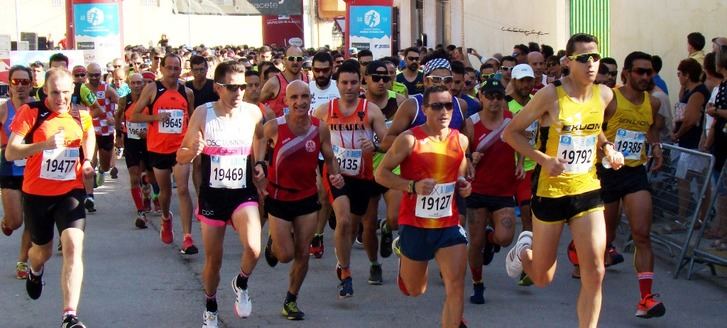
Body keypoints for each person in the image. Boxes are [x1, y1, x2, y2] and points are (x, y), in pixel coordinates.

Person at [502, 33, 624, 328]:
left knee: (595, 270)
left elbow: (593, 130)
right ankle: (523, 251)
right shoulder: (550, 95)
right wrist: (543, 159)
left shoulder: (606, 95)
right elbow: (511, 133)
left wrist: (607, 147)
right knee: (542, 277)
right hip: (551, 192)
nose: (591, 63)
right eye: (584, 58)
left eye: (595, 57)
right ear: (568, 62)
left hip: (587, 188)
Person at [176, 61, 266, 327]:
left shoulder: (253, 113)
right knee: (213, 261)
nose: (238, 93)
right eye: (232, 87)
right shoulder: (203, 114)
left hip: (242, 194)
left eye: (242, 87)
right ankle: (211, 305)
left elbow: (259, 139)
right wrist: (193, 150)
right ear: (218, 88)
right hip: (213, 196)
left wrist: (259, 163)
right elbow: (180, 155)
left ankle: (241, 281)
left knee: (253, 247)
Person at [6, 68, 96, 328]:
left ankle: (69, 315)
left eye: (66, 93)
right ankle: (35, 271)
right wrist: (43, 146)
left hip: (70, 191)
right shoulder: (31, 113)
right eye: (55, 92)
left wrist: (88, 160)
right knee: (41, 252)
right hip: (37, 194)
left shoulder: (79, 114)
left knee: (73, 246)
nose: (61, 98)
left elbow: (88, 134)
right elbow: (12, 152)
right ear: (45, 90)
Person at [375, 85, 472, 328]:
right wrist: (412, 186)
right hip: (415, 223)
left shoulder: (461, 140)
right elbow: (381, 174)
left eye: (448, 105)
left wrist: (463, 185)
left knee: (456, 286)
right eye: (437, 106)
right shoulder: (409, 139)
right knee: (416, 289)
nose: (444, 111)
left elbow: (458, 177)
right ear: (425, 109)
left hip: (448, 223)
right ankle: (403, 257)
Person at [262, 80, 343, 320]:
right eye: (294, 97)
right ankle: (274, 244)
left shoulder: (319, 128)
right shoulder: (274, 127)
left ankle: (291, 300)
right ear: (286, 101)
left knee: (303, 253)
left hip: (307, 197)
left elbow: (329, 156)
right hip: (278, 196)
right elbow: (257, 148)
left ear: (310, 99)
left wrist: (335, 174)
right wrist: (258, 170)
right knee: (285, 255)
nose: (300, 102)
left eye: (305, 96)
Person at [598, 51, 665, 318]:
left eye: (649, 72)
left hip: (635, 172)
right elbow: (594, 126)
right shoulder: (611, 98)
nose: (645, 76)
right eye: (640, 71)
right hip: (607, 172)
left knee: (642, 234)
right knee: (606, 237)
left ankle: (646, 298)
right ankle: (581, 253)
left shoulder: (654, 102)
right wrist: (606, 147)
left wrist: (656, 146)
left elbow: (651, 127)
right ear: (626, 73)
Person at [312, 59, 388, 298]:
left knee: (352, 225)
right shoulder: (324, 111)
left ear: (361, 82)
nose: (349, 87)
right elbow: (311, 142)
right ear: (337, 84)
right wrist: (316, 172)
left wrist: (374, 145)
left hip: (363, 176)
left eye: (354, 82)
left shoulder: (371, 110)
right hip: (335, 173)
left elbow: (388, 143)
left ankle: (343, 261)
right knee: (343, 221)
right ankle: (345, 273)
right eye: (344, 82)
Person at [131, 53, 198, 254]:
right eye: (168, 68)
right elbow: (134, 115)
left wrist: (194, 140)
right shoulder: (152, 89)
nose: (172, 72)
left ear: (180, 69)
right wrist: (155, 117)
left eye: (176, 68)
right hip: (158, 148)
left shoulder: (187, 92)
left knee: (184, 190)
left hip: (180, 149)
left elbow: (193, 118)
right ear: (162, 69)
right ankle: (166, 218)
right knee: (165, 192)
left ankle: (187, 238)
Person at [464, 79, 518, 304]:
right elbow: (462, 153)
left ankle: (491, 237)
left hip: (503, 189)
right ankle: (478, 284)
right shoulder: (471, 123)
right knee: (475, 244)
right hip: (478, 190)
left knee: (505, 238)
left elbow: (521, 141)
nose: (494, 101)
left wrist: (521, 162)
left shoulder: (511, 120)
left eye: (499, 96)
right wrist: (470, 157)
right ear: (481, 97)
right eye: (490, 96)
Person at [0, 65, 34, 280]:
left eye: (24, 82)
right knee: (16, 222)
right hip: (9, 168)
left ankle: (23, 261)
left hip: (34, 170)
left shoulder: (38, 108)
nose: (20, 86)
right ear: (10, 85)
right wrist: (7, 147)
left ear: (31, 84)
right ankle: (6, 222)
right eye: (16, 82)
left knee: (31, 219)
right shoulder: (4, 109)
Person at [115, 73, 157, 228]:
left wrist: (150, 132)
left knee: (152, 175)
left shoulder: (150, 99)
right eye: (133, 83)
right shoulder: (124, 100)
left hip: (148, 141)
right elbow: (118, 116)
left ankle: (151, 193)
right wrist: (119, 134)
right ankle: (141, 210)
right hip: (131, 141)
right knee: (134, 176)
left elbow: (155, 118)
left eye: (139, 82)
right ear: (129, 84)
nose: (137, 85)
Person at [85, 63, 119, 188]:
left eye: (97, 75)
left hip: (105, 130)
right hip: (90, 129)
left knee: (105, 165)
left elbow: (121, 104)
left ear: (101, 74)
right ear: (87, 75)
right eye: (91, 75)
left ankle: (101, 170)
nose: (94, 77)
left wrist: (114, 117)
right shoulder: (84, 89)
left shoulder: (107, 89)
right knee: (90, 160)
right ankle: (89, 191)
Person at [260, 46, 309, 116]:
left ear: (302, 61)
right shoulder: (274, 83)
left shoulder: (308, 80)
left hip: (302, 125)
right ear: (284, 60)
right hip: (279, 126)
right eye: (291, 58)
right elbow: (257, 104)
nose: (295, 62)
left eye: (299, 59)